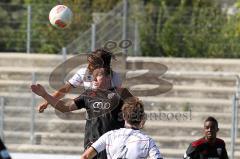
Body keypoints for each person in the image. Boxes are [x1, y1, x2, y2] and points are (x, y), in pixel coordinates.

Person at [31, 68, 132, 159]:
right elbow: (64, 107)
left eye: (98, 77)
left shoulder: (121, 93)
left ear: (108, 77)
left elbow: (136, 111)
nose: (94, 80)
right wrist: (45, 95)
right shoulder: (89, 94)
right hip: (92, 146)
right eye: (93, 78)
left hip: (115, 145)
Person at [37, 48, 122, 113]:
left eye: (92, 64)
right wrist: (47, 102)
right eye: (88, 62)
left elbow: (116, 99)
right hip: (93, 117)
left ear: (101, 65)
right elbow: (65, 89)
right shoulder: (83, 73)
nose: (88, 66)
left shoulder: (115, 77)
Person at [80, 96, 163, 159]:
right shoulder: (147, 141)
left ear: (123, 116)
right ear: (142, 118)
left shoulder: (109, 135)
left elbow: (85, 156)